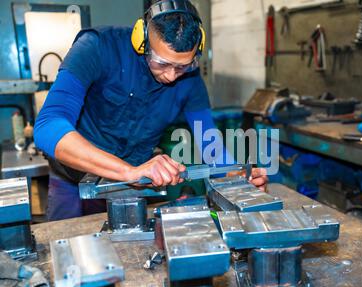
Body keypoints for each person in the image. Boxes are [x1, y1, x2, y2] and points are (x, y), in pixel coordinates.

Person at [34, 0, 268, 221]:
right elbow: (48, 127)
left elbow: (210, 143)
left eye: (183, 66)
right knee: (64, 245)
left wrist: (235, 176)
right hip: (72, 177)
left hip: (127, 186)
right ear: (142, 39)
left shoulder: (190, 79)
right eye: (162, 63)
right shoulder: (98, 47)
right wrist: (128, 171)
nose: (171, 75)